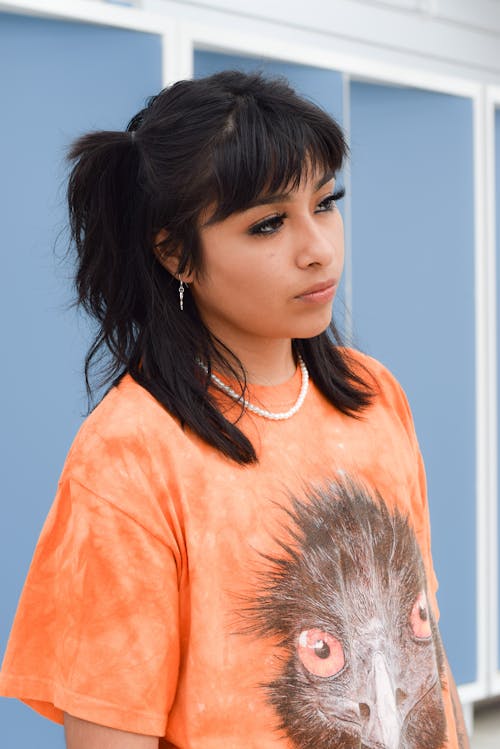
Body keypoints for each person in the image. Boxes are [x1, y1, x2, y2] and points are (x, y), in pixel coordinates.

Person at [0, 70, 468, 749]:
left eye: (326, 202)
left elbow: (421, 644)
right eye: (270, 223)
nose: (319, 248)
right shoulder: (131, 453)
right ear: (176, 253)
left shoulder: (375, 394)